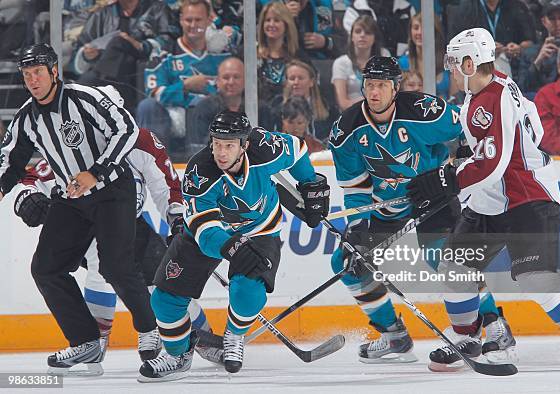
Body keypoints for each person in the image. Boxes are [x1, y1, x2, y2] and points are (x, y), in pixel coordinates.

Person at [408, 27, 560, 371]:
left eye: (455, 64)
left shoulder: (492, 98)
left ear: (471, 63)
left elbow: (494, 161)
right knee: (455, 266)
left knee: (534, 276)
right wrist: (467, 155)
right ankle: (467, 337)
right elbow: (530, 132)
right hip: (491, 197)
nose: (451, 71)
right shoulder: (497, 84)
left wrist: (450, 178)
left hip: (527, 196)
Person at [327, 55, 514, 364]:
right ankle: (393, 335)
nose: (374, 93)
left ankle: (494, 325)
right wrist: (359, 224)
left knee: (450, 260)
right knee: (347, 262)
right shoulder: (346, 130)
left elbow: (470, 127)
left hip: (432, 197)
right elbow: (356, 187)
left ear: (395, 87)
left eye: (382, 86)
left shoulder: (423, 111)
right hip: (385, 207)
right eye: (369, 85)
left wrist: (463, 155)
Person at [138, 110, 330, 381]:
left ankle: (234, 336)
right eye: (216, 144)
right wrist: (232, 247)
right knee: (164, 299)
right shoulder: (200, 171)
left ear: (245, 145)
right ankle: (177, 355)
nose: (221, 153)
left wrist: (309, 182)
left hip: (260, 230)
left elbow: (298, 150)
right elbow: (205, 232)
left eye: (229, 145)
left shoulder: (265, 148)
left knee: (248, 291)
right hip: (206, 236)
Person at [0, 43, 157, 375]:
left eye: (38, 72)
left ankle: (149, 332)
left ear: (54, 71)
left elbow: (126, 128)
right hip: (72, 198)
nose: (33, 80)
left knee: (116, 267)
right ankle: (86, 342)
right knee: (45, 268)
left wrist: (95, 172)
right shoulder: (27, 117)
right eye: (27, 75)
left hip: (113, 189)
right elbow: (12, 162)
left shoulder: (83, 98)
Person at [12, 127, 223, 365]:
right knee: (99, 268)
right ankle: (96, 340)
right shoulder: (76, 141)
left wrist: (177, 220)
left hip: (130, 224)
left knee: (162, 284)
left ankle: (205, 338)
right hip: (83, 226)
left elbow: (166, 185)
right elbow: (32, 177)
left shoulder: (139, 140)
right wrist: (26, 196)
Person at [138, 0, 230, 152]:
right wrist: (185, 86)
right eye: (188, 20)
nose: (193, 25)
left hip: (212, 120)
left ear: (208, 20)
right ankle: (155, 166)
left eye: (198, 20)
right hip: (175, 120)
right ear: (181, 20)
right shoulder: (164, 54)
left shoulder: (223, 56)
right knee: (147, 106)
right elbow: (155, 93)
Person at [269, 59, 338, 142]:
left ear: (311, 82)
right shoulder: (276, 106)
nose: (296, 82)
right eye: (292, 78)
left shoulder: (328, 108)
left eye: (301, 78)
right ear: (286, 82)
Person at [332, 14, 389, 111]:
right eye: (358, 31)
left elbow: (389, 95)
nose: (362, 35)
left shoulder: (384, 56)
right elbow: (343, 103)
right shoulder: (340, 63)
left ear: (374, 38)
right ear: (352, 37)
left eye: (368, 32)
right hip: (351, 115)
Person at [397, 13, 458, 99]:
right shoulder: (402, 63)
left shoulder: (448, 61)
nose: (420, 32)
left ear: (435, 32)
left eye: (425, 28)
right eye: (416, 28)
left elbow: (455, 98)